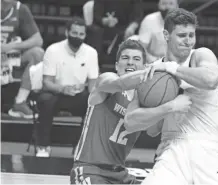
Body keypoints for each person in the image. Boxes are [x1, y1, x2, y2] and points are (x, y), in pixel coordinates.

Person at [125, 8, 218, 184]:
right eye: (182, 35)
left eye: (191, 35)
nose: (188, 41)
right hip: (172, 147)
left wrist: (172, 68)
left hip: (208, 146)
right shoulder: (153, 71)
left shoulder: (200, 55)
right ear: (166, 35)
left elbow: (211, 79)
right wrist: (168, 108)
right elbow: (132, 122)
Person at [70, 39, 191, 184]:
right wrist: (161, 68)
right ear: (116, 65)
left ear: (144, 66)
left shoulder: (143, 100)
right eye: (125, 58)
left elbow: (153, 131)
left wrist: (171, 101)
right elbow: (120, 83)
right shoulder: (107, 80)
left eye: (136, 59)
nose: (130, 62)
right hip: (90, 170)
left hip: (121, 174)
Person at [35, 17, 99, 157]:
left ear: (85, 35)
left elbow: (93, 84)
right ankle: (43, 146)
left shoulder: (91, 53)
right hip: (56, 93)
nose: (78, 37)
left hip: (78, 95)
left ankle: (81, 148)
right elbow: (46, 82)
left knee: (94, 104)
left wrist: (93, 97)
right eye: (74, 33)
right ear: (67, 32)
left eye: (81, 34)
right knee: (45, 100)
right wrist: (63, 89)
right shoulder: (53, 50)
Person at [1, 0, 44, 118]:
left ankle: (20, 102)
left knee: (38, 54)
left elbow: (38, 40)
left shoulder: (21, 9)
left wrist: (10, 46)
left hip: (8, 55)